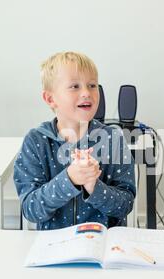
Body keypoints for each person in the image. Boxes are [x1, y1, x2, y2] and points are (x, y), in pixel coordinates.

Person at [14, 52, 136, 230]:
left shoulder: (113, 139)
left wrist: (94, 187)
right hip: (53, 248)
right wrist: (69, 179)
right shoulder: (35, 141)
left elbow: (125, 206)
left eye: (92, 85)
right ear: (50, 98)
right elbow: (31, 210)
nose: (87, 93)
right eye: (75, 86)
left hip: (103, 246)